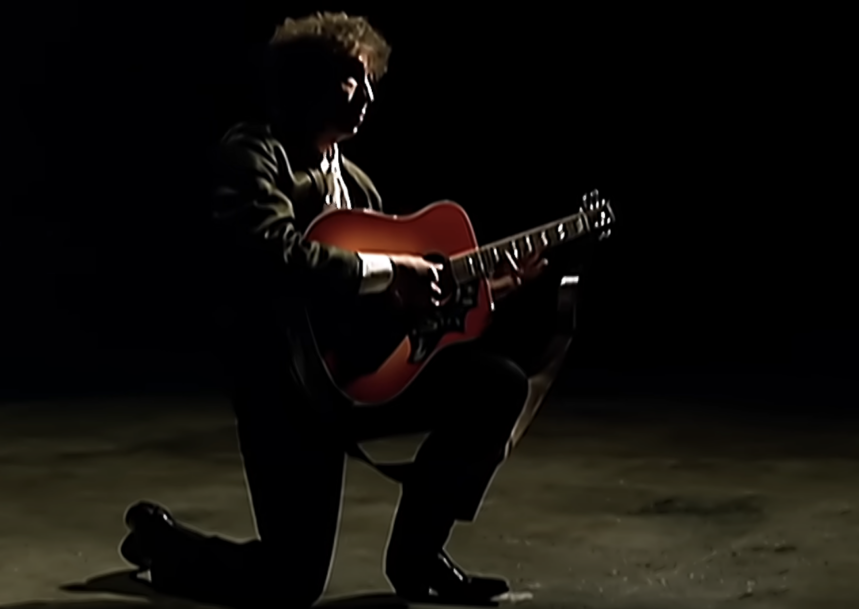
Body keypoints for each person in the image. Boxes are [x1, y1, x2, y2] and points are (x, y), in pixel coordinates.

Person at [118, 12, 547, 608]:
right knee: (290, 583)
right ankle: (167, 547)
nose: (368, 96)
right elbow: (269, 249)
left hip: (357, 383)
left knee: (495, 384)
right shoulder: (253, 152)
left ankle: (418, 557)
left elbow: (390, 312)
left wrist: (480, 291)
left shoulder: (360, 189)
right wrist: (391, 271)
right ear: (304, 83)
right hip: (287, 393)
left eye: (370, 82)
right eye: (352, 80)